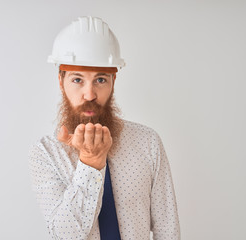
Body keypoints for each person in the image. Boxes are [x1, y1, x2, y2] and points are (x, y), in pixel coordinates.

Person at [29, 16, 181, 240]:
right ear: (61, 81)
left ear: (113, 81)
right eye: (77, 80)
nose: (89, 94)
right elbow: (65, 235)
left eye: (100, 80)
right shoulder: (46, 153)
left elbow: (167, 230)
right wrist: (90, 164)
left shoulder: (148, 142)